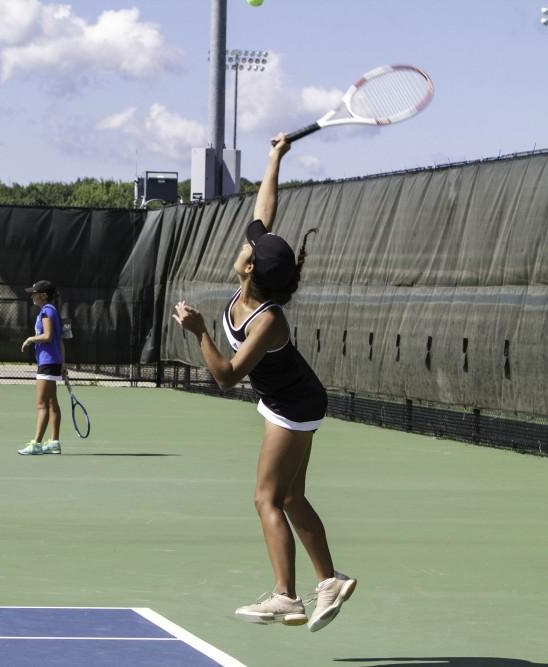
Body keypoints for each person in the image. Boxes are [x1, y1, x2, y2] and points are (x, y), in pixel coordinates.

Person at [171, 133, 355, 632]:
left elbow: (228, 377)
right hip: (287, 397)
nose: (246, 243)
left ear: (251, 267)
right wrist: (275, 157)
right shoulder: (254, 279)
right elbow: (265, 208)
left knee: (266, 498)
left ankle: (285, 597)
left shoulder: (269, 320)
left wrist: (201, 331)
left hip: (293, 405)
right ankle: (331, 581)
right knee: (292, 497)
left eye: (249, 247)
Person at [19, 280, 65, 455]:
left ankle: (36, 444)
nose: (32, 296)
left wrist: (30, 339)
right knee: (52, 403)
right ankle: (54, 442)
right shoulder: (51, 311)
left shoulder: (47, 311)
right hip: (52, 362)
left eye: (34, 293)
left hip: (47, 363)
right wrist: (63, 364)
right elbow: (59, 341)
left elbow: (48, 336)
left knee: (41, 404)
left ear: (43, 295)